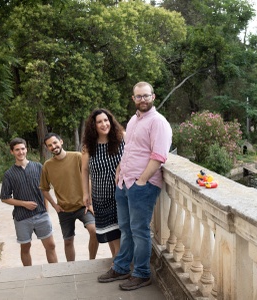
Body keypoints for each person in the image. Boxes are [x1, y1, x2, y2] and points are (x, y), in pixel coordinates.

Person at [98, 81, 172, 291]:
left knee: (139, 231)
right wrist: (119, 170)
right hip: (124, 183)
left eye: (146, 96)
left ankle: (141, 273)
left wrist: (141, 181)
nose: (142, 100)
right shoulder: (133, 120)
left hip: (143, 185)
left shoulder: (158, 122)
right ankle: (121, 267)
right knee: (126, 229)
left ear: (153, 97)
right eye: (138, 96)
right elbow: (129, 149)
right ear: (133, 99)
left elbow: (159, 156)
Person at [40, 132, 99, 261]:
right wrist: (55, 206)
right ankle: (70, 267)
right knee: (68, 242)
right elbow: (44, 189)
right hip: (64, 210)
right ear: (47, 148)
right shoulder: (47, 166)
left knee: (94, 231)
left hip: (83, 206)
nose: (53, 146)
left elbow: (89, 178)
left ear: (61, 142)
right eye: (49, 145)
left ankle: (91, 261)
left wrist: (90, 202)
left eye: (55, 143)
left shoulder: (77, 157)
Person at [0, 137, 58, 266]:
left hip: (41, 214)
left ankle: (55, 273)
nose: (20, 152)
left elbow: (45, 190)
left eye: (22, 149)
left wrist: (46, 211)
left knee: (51, 245)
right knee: (25, 248)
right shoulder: (9, 174)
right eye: (17, 150)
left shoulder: (38, 167)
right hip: (22, 218)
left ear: (26, 149)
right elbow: (4, 197)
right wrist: (23, 204)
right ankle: (29, 275)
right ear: (12, 152)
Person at [81, 108, 125, 257]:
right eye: (99, 122)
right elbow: (84, 170)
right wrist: (86, 193)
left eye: (106, 120)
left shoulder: (122, 139)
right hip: (100, 197)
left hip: (119, 195)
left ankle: (118, 265)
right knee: (110, 234)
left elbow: (132, 157)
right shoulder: (89, 146)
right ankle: (116, 260)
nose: (104, 124)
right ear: (93, 125)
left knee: (118, 233)